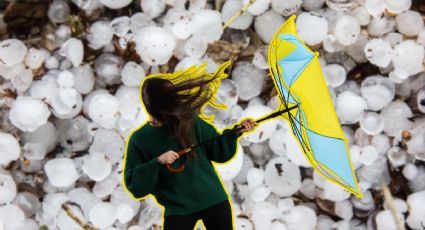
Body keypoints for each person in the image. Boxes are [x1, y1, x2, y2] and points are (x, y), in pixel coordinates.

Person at [122, 62, 258, 230]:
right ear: (151, 109)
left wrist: (236, 133)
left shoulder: (189, 120)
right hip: (179, 210)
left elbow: (219, 152)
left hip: (213, 199)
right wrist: (157, 162)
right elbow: (136, 187)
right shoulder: (139, 140)